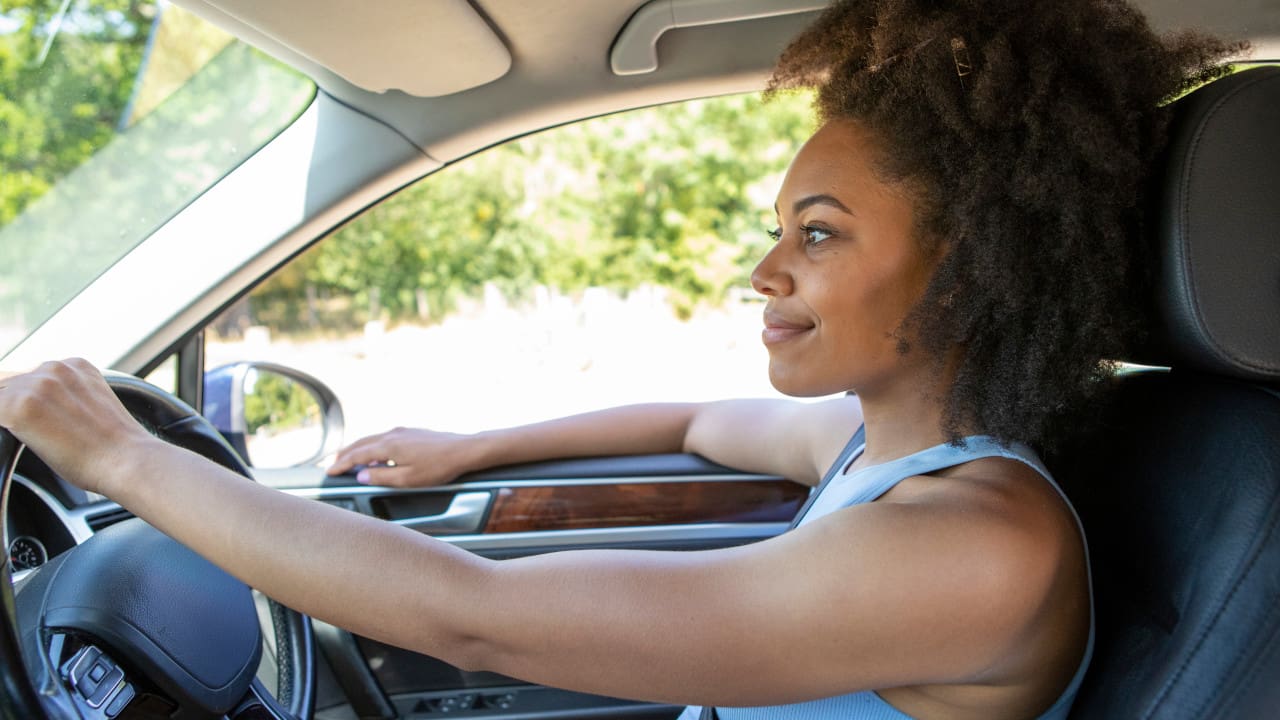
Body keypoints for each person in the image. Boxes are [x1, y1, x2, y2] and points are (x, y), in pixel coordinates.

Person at [0, 1, 1239, 718]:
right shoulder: (892, 449)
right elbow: (702, 422)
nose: (764, 273)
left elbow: (473, 620)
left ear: (971, 271)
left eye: (817, 235)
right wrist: (471, 447)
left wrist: (120, 456)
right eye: (776, 231)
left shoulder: (982, 547)